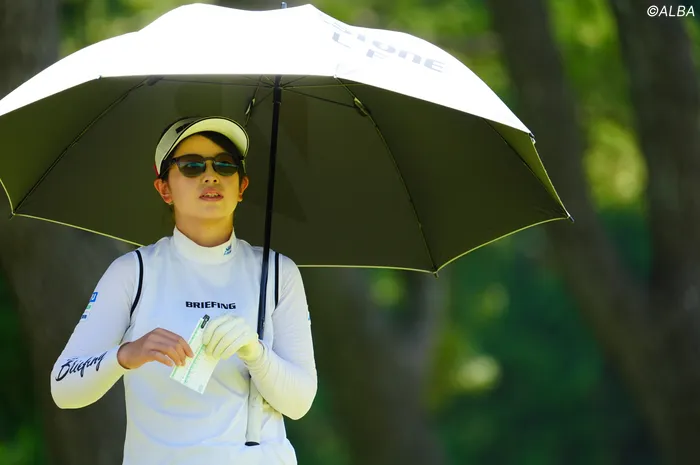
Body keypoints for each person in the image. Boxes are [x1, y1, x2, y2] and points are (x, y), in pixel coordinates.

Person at [50, 116, 317, 465]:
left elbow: (299, 403)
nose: (211, 176)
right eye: (191, 166)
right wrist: (128, 354)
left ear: (242, 186)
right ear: (164, 189)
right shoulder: (133, 271)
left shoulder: (279, 273)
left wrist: (256, 352)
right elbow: (64, 387)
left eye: (225, 164)